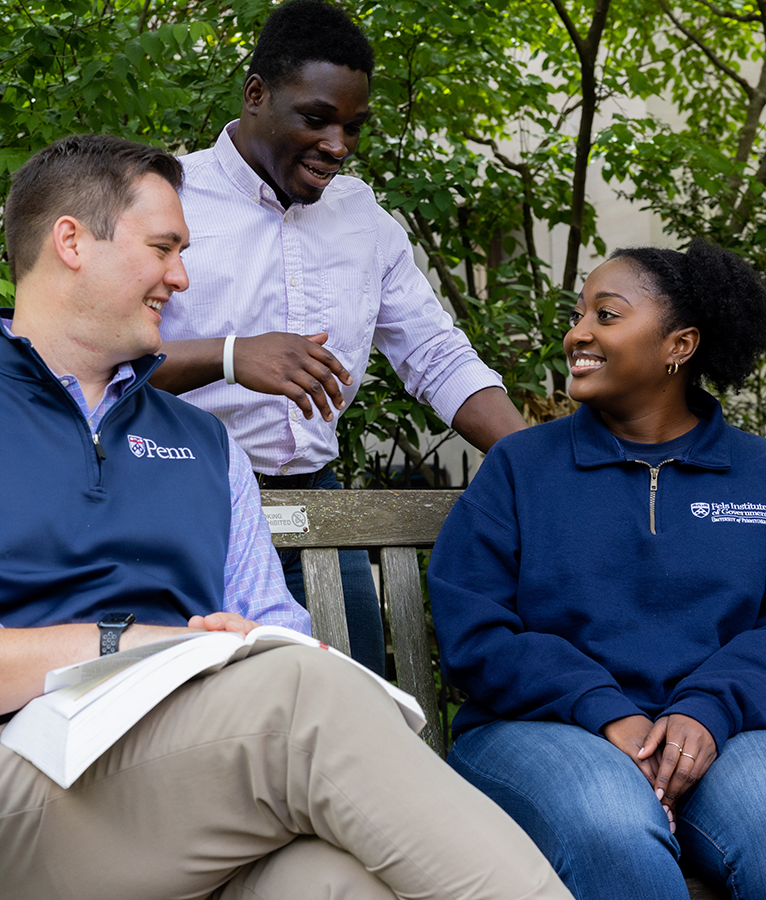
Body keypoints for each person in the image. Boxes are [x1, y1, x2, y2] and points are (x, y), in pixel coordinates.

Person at [0, 133, 572, 900]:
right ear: (71, 241)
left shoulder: (205, 444)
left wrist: (249, 646)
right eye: (164, 248)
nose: (181, 276)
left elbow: (276, 627)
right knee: (301, 695)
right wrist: (133, 646)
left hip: (193, 791)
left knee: (335, 882)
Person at [428, 238, 766, 900]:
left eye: (605, 315)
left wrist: (707, 708)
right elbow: (474, 632)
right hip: (544, 729)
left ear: (680, 346)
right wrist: (602, 707)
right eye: (578, 314)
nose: (577, 332)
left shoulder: (765, 475)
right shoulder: (522, 467)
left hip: (726, 731)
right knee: (613, 827)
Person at [151, 0, 528, 676]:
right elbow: (105, 366)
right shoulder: (167, 199)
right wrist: (234, 356)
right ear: (256, 95)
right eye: (316, 119)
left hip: (320, 506)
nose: (338, 146)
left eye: (354, 127)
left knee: (362, 707)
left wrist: (534, 460)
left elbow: (435, 355)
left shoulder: (364, 218)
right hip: (183, 507)